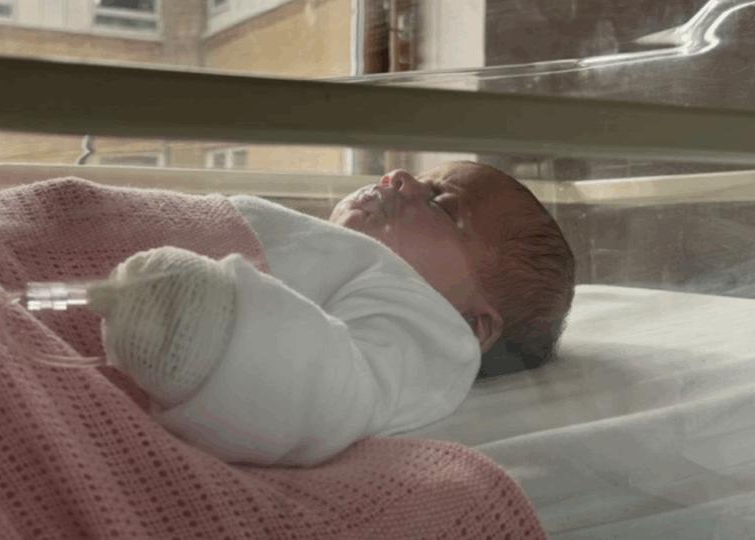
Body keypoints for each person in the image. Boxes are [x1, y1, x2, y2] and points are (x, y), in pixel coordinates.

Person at [89, 161, 576, 466]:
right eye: (420, 178)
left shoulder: (428, 325)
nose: (400, 178)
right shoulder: (332, 255)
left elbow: (330, 390)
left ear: (473, 326)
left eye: (442, 205)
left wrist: (196, 332)